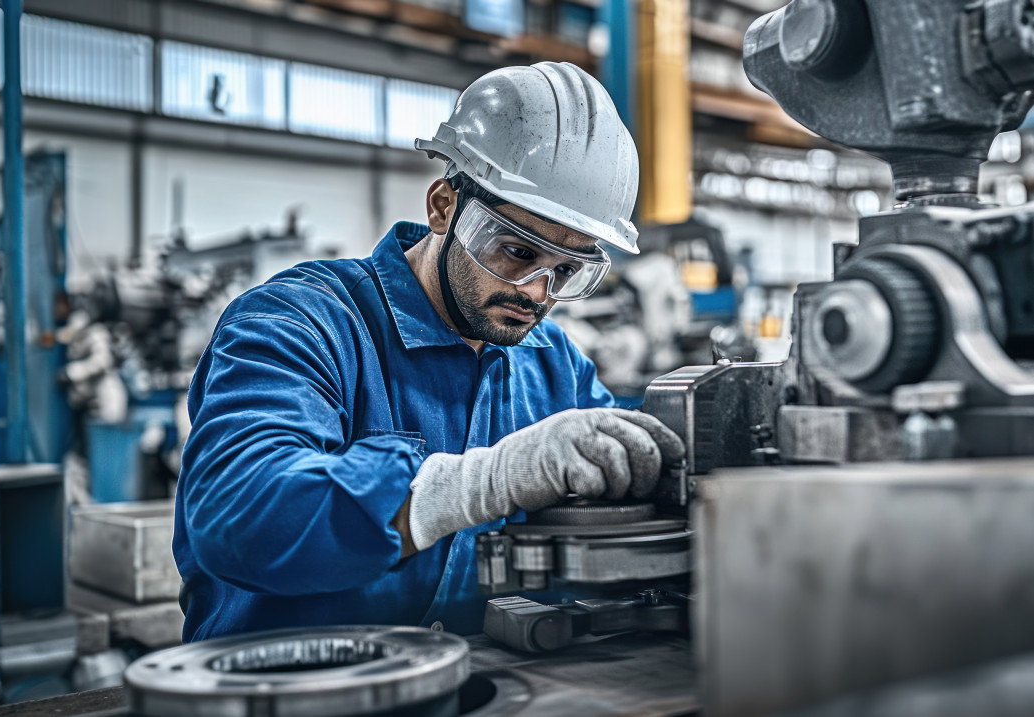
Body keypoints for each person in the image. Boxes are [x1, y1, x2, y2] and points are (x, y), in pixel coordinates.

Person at [174, 62, 684, 642]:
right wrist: (477, 484)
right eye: (515, 251)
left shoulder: (554, 366)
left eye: (566, 269)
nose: (537, 293)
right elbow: (240, 516)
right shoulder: (300, 323)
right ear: (443, 206)